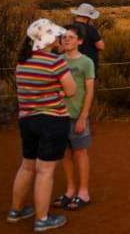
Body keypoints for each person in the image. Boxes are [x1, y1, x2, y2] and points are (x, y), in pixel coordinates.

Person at [8, 18, 76, 232]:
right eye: (55, 35)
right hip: (52, 120)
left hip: (27, 120)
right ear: (48, 39)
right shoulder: (55, 62)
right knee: (45, 171)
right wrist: (59, 92)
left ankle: (15, 211)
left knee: (27, 165)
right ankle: (42, 219)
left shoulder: (22, 62)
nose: (59, 38)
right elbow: (72, 90)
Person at [52, 25, 95, 211]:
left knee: (80, 153)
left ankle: (83, 192)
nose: (66, 39)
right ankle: (70, 190)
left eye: (71, 37)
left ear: (80, 41)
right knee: (65, 153)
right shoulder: (57, 61)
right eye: (64, 37)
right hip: (59, 115)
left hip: (77, 114)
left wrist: (83, 117)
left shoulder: (86, 62)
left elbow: (89, 92)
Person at [70, 3, 104, 78]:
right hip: (88, 68)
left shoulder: (68, 28)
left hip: (70, 68)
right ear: (87, 17)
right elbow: (101, 46)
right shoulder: (91, 29)